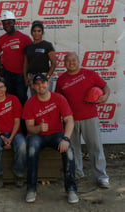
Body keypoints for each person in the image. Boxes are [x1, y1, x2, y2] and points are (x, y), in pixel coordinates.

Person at [56, 52, 110, 188]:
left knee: (95, 147)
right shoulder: (61, 80)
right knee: (73, 149)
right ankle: (77, 173)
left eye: (74, 60)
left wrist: (106, 96)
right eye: (68, 61)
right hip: (70, 120)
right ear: (64, 63)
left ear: (78, 61)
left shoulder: (90, 74)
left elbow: (105, 86)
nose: (71, 63)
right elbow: (58, 99)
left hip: (89, 117)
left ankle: (102, 176)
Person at [23, 73, 78, 204]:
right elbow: (29, 127)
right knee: (31, 148)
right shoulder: (30, 103)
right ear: (33, 87)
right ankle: (31, 189)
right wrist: (39, 128)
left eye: (42, 83)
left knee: (69, 150)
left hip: (57, 135)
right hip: (38, 136)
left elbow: (69, 120)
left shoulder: (58, 98)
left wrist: (66, 138)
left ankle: (71, 189)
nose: (40, 86)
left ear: (48, 84)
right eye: (37, 84)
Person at [0, 77, 26, 188]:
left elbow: (17, 121)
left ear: (6, 88)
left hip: (15, 132)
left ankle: (18, 174)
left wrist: (11, 138)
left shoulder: (14, 99)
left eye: (2, 87)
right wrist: (2, 137)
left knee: (22, 145)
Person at [0, 10, 32, 105]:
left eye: (9, 23)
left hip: (21, 74)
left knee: (21, 98)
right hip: (7, 74)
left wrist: (27, 74)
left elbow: (31, 57)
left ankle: (23, 119)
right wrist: (0, 67)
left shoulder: (25, 38)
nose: (6, 25)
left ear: (14, 22)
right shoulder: (1, 40)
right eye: (4, 23)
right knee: (10, 98)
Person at [24, 20, 56, 94]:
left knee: (46, 98)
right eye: (34, 31)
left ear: (42, 32)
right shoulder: (28, 47)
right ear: (31, 32)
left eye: (39, 31)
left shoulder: (47, 45)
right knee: (35, 99)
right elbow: (25, 64)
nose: (36, 33)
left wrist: (48, 76)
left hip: (44, 76)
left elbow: (53, 63)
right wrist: (26, 78)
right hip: (32, 77)